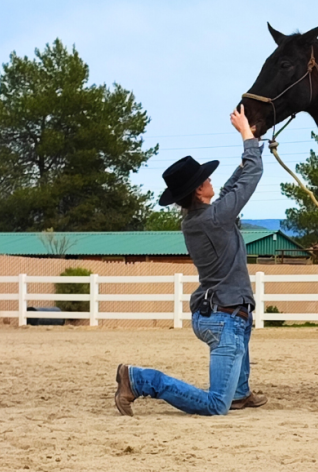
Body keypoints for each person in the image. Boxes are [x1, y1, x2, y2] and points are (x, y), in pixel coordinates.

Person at [114, 105, 267, 416]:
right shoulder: (213, 220)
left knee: (242, 322)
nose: (211, 179)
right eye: (205, 178)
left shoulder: (198, 219)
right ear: (199, 191)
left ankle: (239, 392)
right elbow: (251, 176)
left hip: (218, 312)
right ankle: (138, 380)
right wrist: (244, 135)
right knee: (214, 405)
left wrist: (253, 142)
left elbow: (230, 191)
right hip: (224, 318)